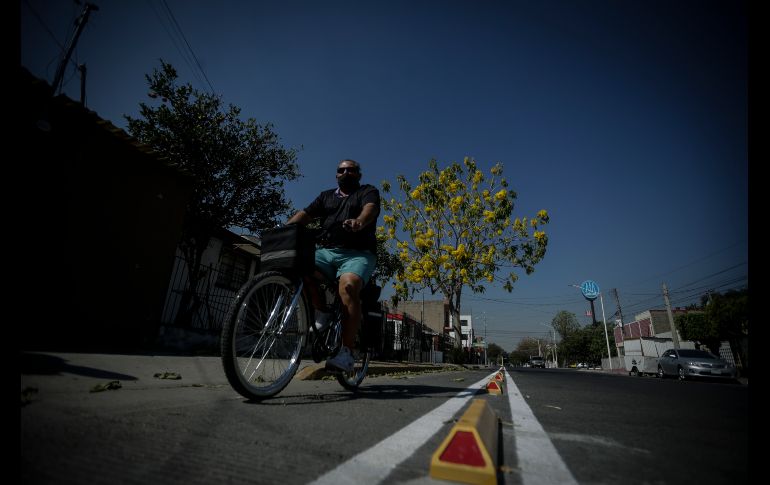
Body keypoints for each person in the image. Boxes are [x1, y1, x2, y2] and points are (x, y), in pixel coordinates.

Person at [286, 159, 380, 373]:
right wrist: (285, 229)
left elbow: (370, 209)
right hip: (327, 251)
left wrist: (360, 222)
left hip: (358, 254)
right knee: (299, 263)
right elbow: (305, 214)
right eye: (341, 170)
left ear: (359, 174)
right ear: (336, 175)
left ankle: (346, 353)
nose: (346, 172)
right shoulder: (326, 196)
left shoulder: (367, 191)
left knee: (348, 286)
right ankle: (322, 312)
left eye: (351, 170)